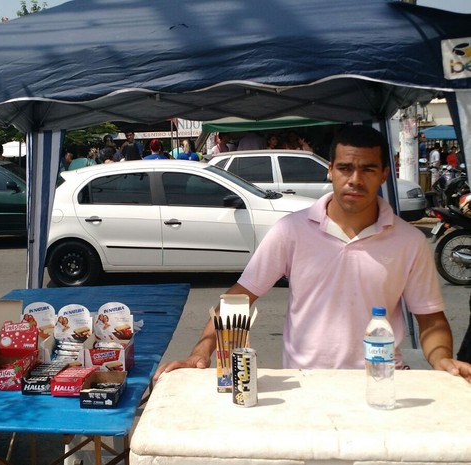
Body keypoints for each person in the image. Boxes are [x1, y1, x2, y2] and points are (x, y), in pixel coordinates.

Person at [155, 125, 471, 382]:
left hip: (381, 381)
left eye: (368, 169)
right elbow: (240, 297)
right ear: (330, 170)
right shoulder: (291, 230)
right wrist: (203, 350)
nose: (355, 179)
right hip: (305, 384)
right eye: (345, 168)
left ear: (385, 173)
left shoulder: (408, 241)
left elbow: (430, 320)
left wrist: (442, 359)